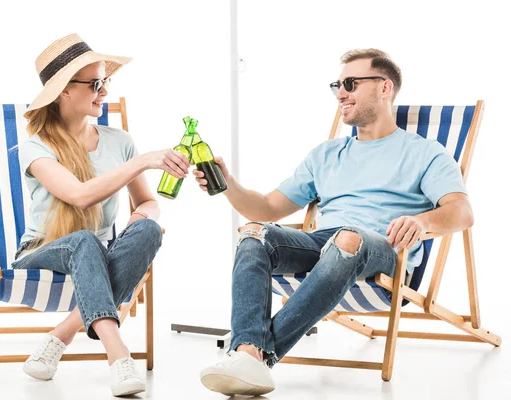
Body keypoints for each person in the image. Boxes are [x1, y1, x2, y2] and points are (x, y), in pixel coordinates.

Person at [196, 48, 474, 396]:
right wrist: (228, 184)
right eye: (337, 85)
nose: (341, 93)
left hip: (382, 247)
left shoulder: (425, 152)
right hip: (324, 243)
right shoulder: (326, 154)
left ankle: (255, 356)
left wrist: (421, 221)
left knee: (348, 238)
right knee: (252, 233)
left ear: (384, 88)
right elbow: (266, 208)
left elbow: (462, 212)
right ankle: (249, 353)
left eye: (351, 83)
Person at [12, 33, 190, 397]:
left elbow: (147, 202)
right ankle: (119, 357)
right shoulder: (35, 148)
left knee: (150, 231)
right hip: (43, 251)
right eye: (95, 84)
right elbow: (78, 196)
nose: (104, 91)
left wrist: (143, 217)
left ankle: (60, 335)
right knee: (83, 240)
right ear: (64, 90)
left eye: (105, 82)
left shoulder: (118, 140)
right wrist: (144, 160)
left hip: (98, 254)